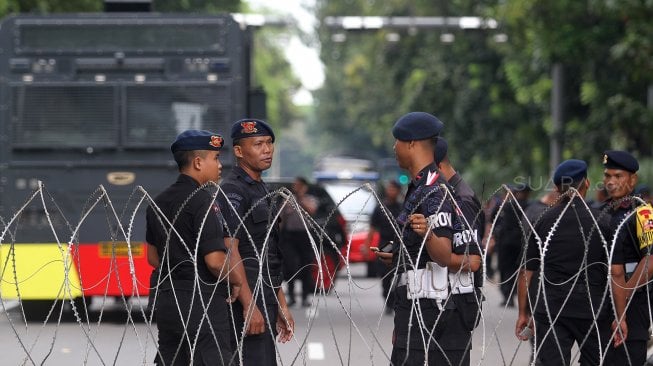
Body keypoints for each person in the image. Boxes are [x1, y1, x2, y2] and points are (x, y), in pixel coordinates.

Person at [145, 129, 241, 365]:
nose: (220, 165)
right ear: (198, 162)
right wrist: (236, 280)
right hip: (202, 300)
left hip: (168, 299)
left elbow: (152, 257)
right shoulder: (203, 201)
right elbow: (215, 261)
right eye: (215, 158)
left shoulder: (157, 202)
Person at [515, 159, 617, 365]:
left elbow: (526, 272)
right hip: (592, 307)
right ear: (587, 184)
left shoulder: (543, 220)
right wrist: (619, 315)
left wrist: (523, 313)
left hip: (552, 308)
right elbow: (615, 271)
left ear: (556, 188)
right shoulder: (603, 222)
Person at [376, 111, 454, 365]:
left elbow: (443, 255)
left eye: (397, 141)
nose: (394, 148)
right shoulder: (418, 187)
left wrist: (428, 234)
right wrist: (396, 256)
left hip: (427, 310)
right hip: (411, 305)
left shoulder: (434, 191)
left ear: (411, 143)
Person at [217, 118, 294, 366]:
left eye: (270, 143)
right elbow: (231, 248)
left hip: (265, 291)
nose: (267, 149)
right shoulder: (233, 190)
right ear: (239, 151)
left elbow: (267, 253)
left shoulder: (261, 189)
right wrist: (250, 305)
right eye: (258, 144)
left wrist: (280, 304)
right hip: (246, 292)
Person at [434, 137, 484, 366]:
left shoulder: (460, 199)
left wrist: (437, 256)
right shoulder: (443, 194)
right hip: (442, 302)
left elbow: (472, 262)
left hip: (454, 306)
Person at [601, 150, 650, 365]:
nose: (611, 182)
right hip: (601, 304)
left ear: (633, 180)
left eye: (618, 176)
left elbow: (650, 260)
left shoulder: (643, 213)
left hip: (633, 305)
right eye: (607, 176)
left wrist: (624, 295)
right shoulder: (601, 212)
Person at [365, 180, 403, 314]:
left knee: (399, 274)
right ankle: (388, 301)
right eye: (389, 188)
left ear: (398, 191)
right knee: (385, 275)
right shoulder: (380, 208)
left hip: (399, 244)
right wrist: (366, 246)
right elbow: (372, 228)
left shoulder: (402, 208)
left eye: (393, 189)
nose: (390, 191)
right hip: (385, 244)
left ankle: (397, 300)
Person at [280, 176, 318, 308]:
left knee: (306, 266)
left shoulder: (309, 199)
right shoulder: (288, 200)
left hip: (304, 236)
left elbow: (312, 210)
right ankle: (291, 297)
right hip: (290, 237)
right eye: (295, 185)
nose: (296, 187)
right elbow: (281, 218)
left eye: (299, 185)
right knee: (290, 266)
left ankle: (305, 296)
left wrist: (301, 198)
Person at [493, 182, 531, 307]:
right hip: (521, 243)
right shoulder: (529, 207)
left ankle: (506, 295)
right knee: (518, 270)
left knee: (505, 269)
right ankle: (513, 295)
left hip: (506, 243)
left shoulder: (509, 206)